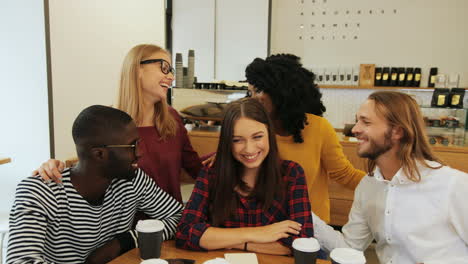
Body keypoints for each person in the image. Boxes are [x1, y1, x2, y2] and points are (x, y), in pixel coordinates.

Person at [7, 105, 183, 264]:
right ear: (99, 154)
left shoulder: (132, 180)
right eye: (132, 146)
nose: (140, 153)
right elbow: (21, 261)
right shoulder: (39, 192)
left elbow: (181, 217)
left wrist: (123, 241)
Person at [311, 91, 468, 264]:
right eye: (357, 121)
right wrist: (304, 213)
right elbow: (349, 249)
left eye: (366, 122)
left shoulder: (453, 184)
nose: (355, 129)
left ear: (397, 131)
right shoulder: (368, 186)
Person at [34, 44, 203, 203]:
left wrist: (225, 155)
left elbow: (195, 167)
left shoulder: (171, 118)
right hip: (119, 227)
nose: (171, 77)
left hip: (167, 222)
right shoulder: (108, 122)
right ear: (137, 69)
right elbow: (87, 167)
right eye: (164, 67)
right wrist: (55, 167)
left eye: (171, 70)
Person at [175, 98, 314, 255]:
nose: (249, 149)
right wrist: (258, 233)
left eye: (257, 137)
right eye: (237, 140)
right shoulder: (211, 174)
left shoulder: (292, 174)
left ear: (270, 133)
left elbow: (302, 243)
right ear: (227, 141)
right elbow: (185, 233)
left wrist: (228, 241)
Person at [245, 54, 365, 223]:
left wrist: (386, 187)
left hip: (311, 227)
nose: (253, 98)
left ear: (281, 91)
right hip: (265, 226)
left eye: (258, 90)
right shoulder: (252, 129)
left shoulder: (319, 128)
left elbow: (344, 174)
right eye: (250, 92)